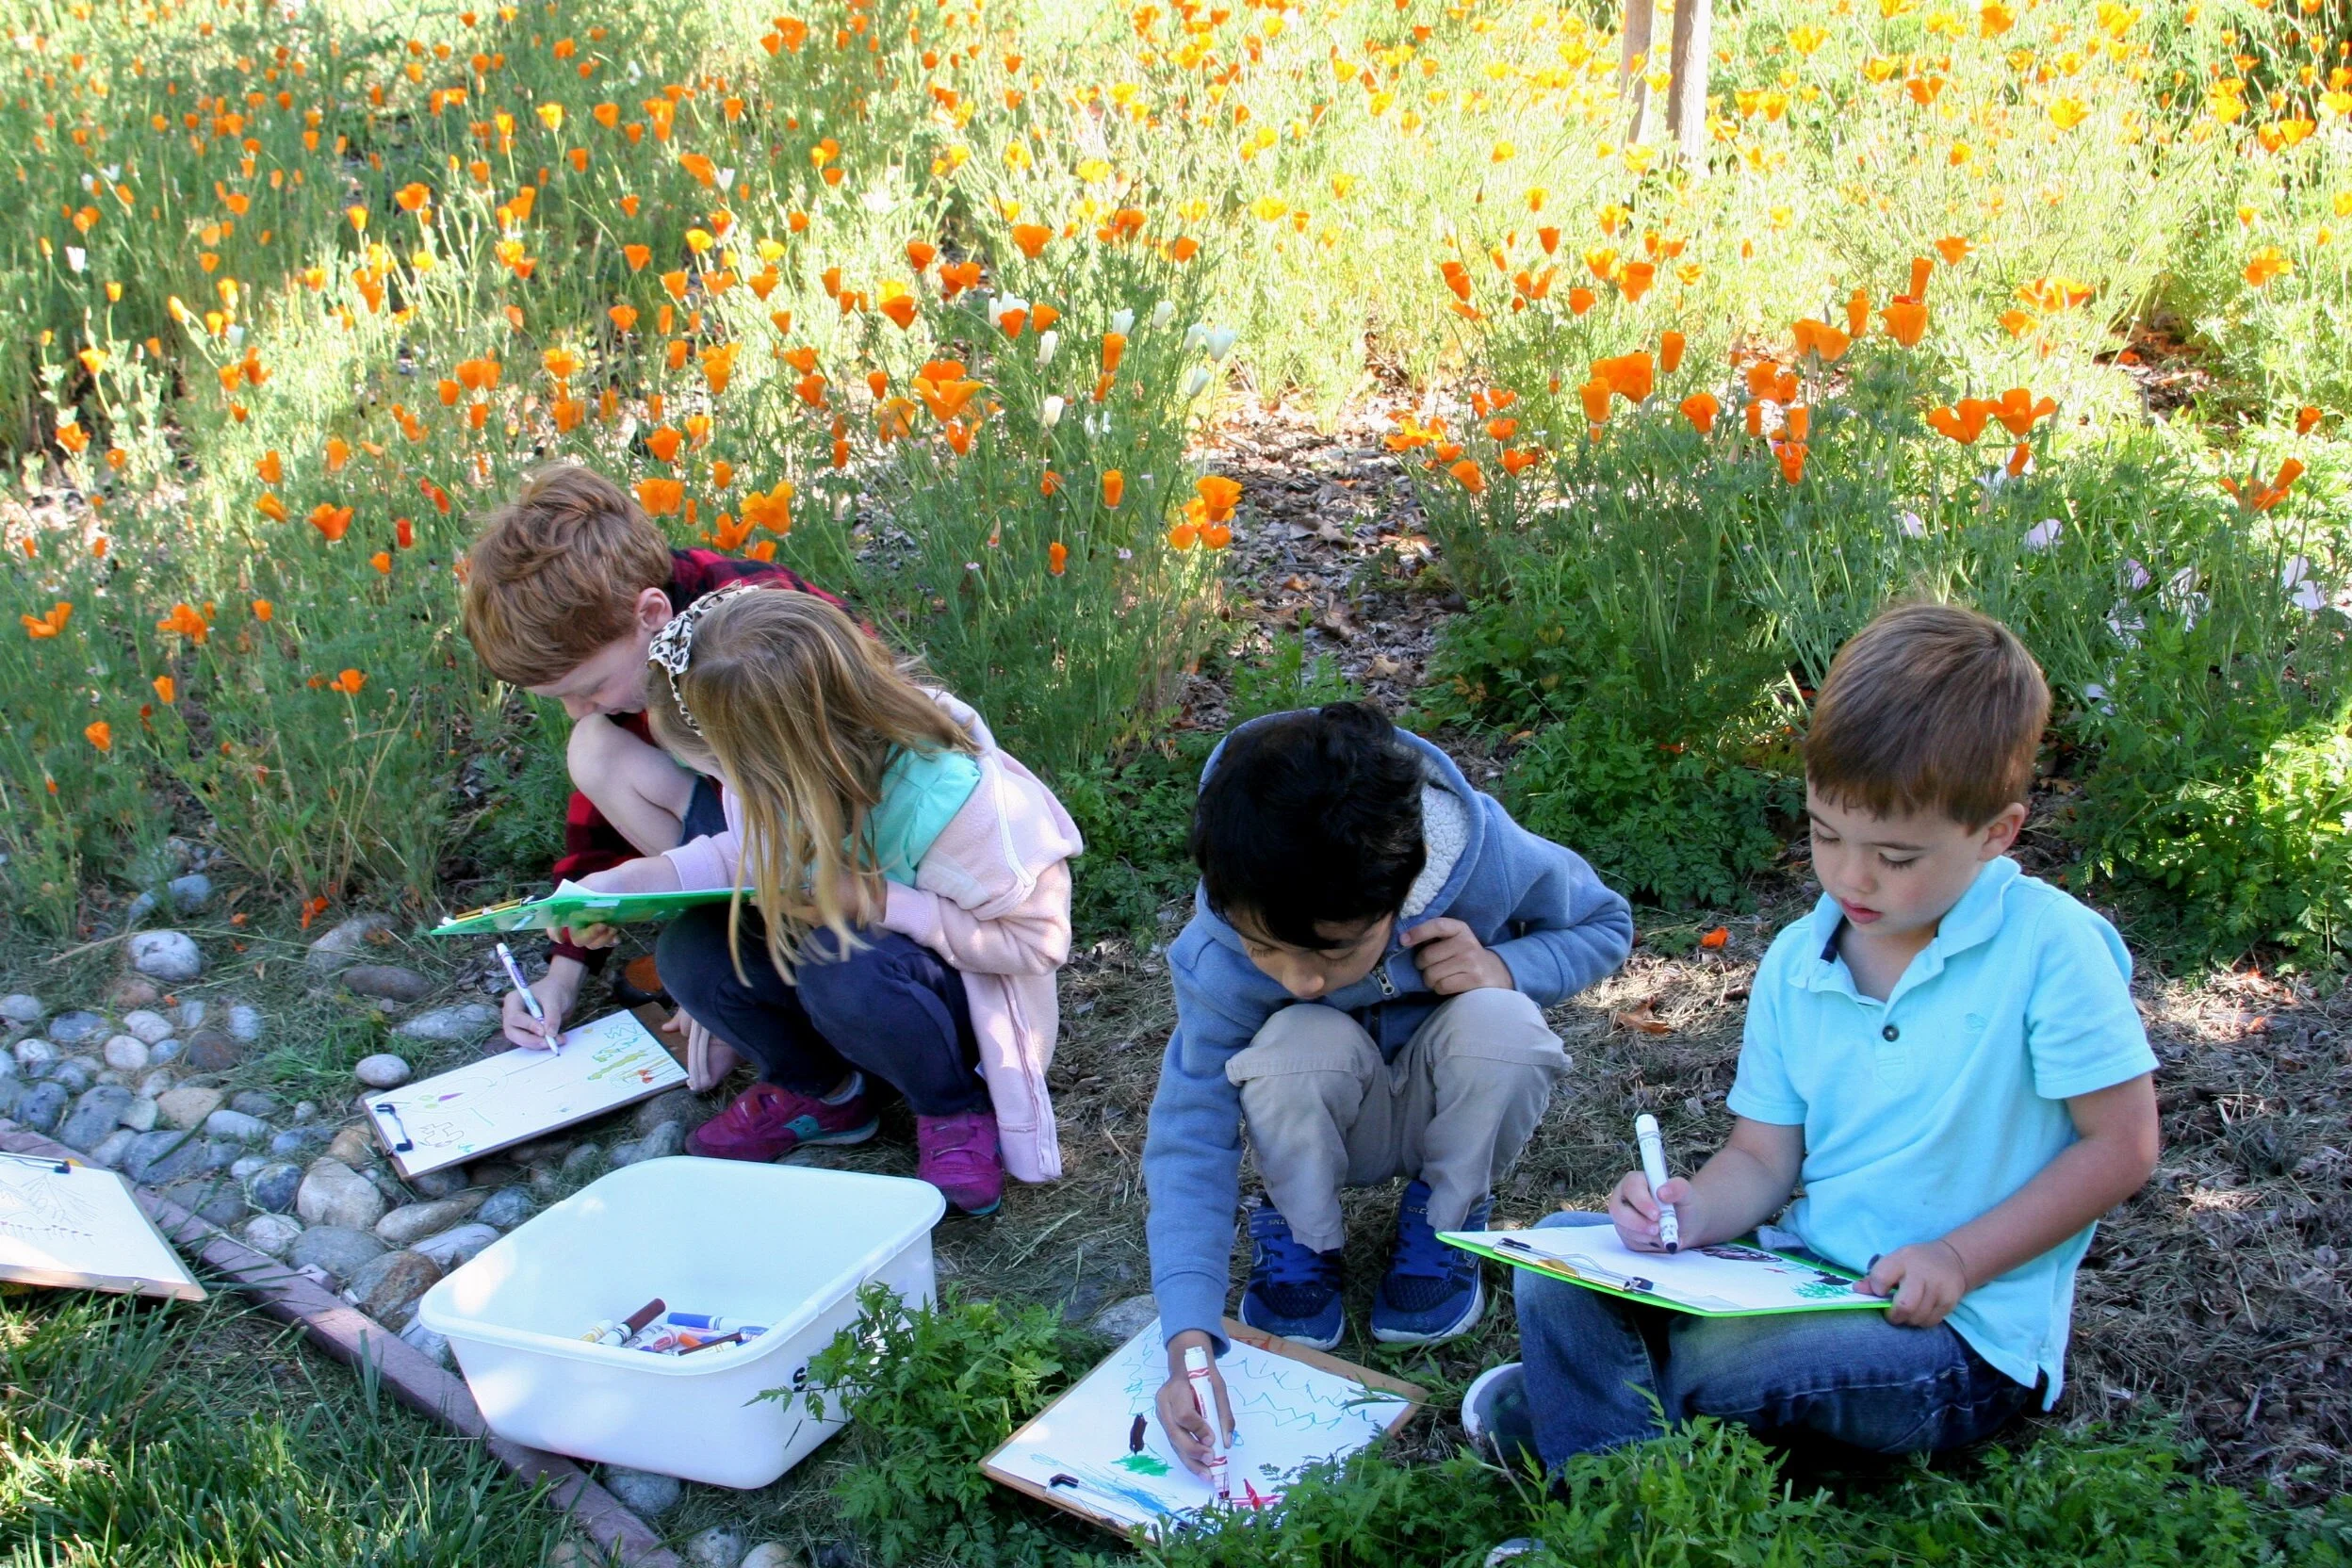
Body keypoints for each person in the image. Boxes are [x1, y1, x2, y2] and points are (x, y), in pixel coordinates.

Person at [1462, 603, 2162, 1470]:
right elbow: (1762, 1160)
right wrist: (1686, 1215)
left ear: (1996, 833)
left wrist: (1958, 1257)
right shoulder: (1802, 957)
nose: (1851, 875)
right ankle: (1618, 1423)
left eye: (1897, 857)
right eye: (1826, 834)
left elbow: (2123, 1147)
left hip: (1955, 1334)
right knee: (1565, 1254)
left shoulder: (2052, 948)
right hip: (1796, 1277)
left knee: (1736, 1360)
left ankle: (1594, 1443)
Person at [1145, 701, 1633, 1475]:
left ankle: (1444, 1216)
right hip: (1326, 1112)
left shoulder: (1482, 855)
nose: (1302, 978)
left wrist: (1506, 968)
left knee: (1504, 1028)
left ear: (1403, 888)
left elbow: (1605, 924)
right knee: (1293, 1042)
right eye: (1266, 948)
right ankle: (1303, 1236)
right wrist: (1188, 1341)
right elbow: (1188, 1132)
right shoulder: (1217, 947)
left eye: (1334, 951)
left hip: (1449, 1093)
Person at [519, 586, 1080, 1215]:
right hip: (852, 988)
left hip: (952, 1006)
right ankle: (826, 1089)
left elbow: (1037, 943)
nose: (726, 790)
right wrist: (631, 880)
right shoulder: (791, 775)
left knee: (842, 957)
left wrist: (876, 899)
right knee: (694, 949)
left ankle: (952, 1108)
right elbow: (745, 852)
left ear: (786, 758)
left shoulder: (963, 806)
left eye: (728, 776)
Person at [462, 461, 844, 1052]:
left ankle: (768, 959)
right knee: (593, 749)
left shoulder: (758, 628)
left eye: (586, 688)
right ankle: (744, 946)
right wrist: (562, 974)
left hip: (846, 837)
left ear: (650, 615)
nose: (579, 708)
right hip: (747, 844)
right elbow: (596, 833)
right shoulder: (625, 640)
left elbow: (855, 776)